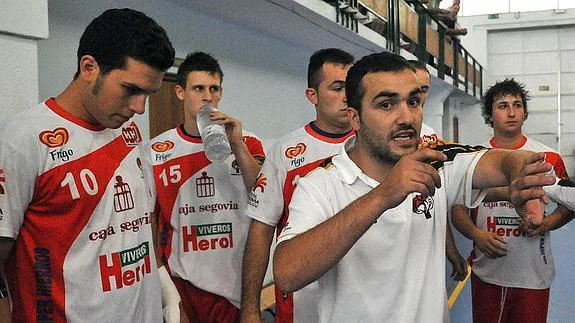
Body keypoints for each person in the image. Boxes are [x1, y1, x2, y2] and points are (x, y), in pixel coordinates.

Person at [272, 52, 555, 322]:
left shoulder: (438, 164)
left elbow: (498, 161)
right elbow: (287, 273)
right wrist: (383, 195)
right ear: (354, 117)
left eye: (414, 102)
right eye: (386, 104)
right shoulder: (320, 184)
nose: (406, 117)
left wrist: (518, 171)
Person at [0, 8, 177, 322]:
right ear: (89, 67)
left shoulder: (129, 131)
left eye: (148, 94)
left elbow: (138, 217)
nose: (139, 108)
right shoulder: (23, 140)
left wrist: (163, 285)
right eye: (131, 90)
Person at [240, 48, 355, 323]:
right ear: (312, 95)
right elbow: (261, 229)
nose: (347, 96)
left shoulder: (373, 143)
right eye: (337, 87)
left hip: (364, 298)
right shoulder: (286, 151)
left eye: (351, 87)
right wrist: (250, 308)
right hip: (304, 305)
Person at [151, 52, 265, 322]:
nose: (207, 97)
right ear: (180, 92)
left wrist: (236, 145)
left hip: (236, 287)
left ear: (221, 93)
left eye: (214, 89)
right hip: (184, 286)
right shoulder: (155, 151)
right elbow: (150, 227)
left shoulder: (248, 142)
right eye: (198, 88)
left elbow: (264, 196)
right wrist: (169, 297)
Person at [451, 78, 574, 323]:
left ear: (525, 112)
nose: (511, 112)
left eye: (517, 105)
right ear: (489, 114)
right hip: (488, 271)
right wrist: (476, 234)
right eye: (502, 105)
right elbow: (458, 207)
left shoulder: (548, 157)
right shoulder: (475, 158)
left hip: (533, 274)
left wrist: (546, 224)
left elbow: (569, 204)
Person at [408, 59, 468, 281]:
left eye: (424, 90)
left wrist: (450, 249)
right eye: (414, 88)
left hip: (425, 249)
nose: (420, 96)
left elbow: (438, 201)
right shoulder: (382, 136)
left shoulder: (431, 136)